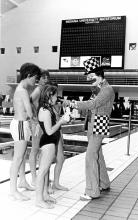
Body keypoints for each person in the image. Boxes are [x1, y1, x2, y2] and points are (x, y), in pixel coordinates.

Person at [65, 57, 115, 200]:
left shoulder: (106, 90)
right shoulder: (100, 88)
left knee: (90, 156)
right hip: (94, 123)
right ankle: (104, 183)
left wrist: (72, 103)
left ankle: (92, 191)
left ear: (99, 75)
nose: (89, 80)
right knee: (98, 155)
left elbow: (93, 104)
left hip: (99, 123)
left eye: (91, 77)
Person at [10, 63, 41, 201]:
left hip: (21, 124)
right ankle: (13, 190)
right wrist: (36, 123)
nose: (36, 80)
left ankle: (22, 181)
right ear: (28, 75)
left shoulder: (21, 89)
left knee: (21, 156)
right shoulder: (22, 91)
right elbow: (29, 111)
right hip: (21, 125)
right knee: (18, 158)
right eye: (35, 77)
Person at [36, 84, 70, 209]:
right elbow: (49, 131)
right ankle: (38, 200)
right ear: (49, 96)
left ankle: (44, 194)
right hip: (48, 142)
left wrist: (61, 119)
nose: (57, 98)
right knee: (43, 171)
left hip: (51, 142)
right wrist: (61, 121)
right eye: (55, 95)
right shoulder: (44, 111)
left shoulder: (48, 108)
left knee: (45, 171)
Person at [29, 69, 50, 186]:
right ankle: (33, 178)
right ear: (39, 79)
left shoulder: (43, 90)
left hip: (41, 123)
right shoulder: (38, 89)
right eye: (44, 78)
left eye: (47, 78)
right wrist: (34, 117)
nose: (46, 80)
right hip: (37, 124)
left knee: (42, 150)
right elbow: (29, 101)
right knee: (35, 150)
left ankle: (41, 176)